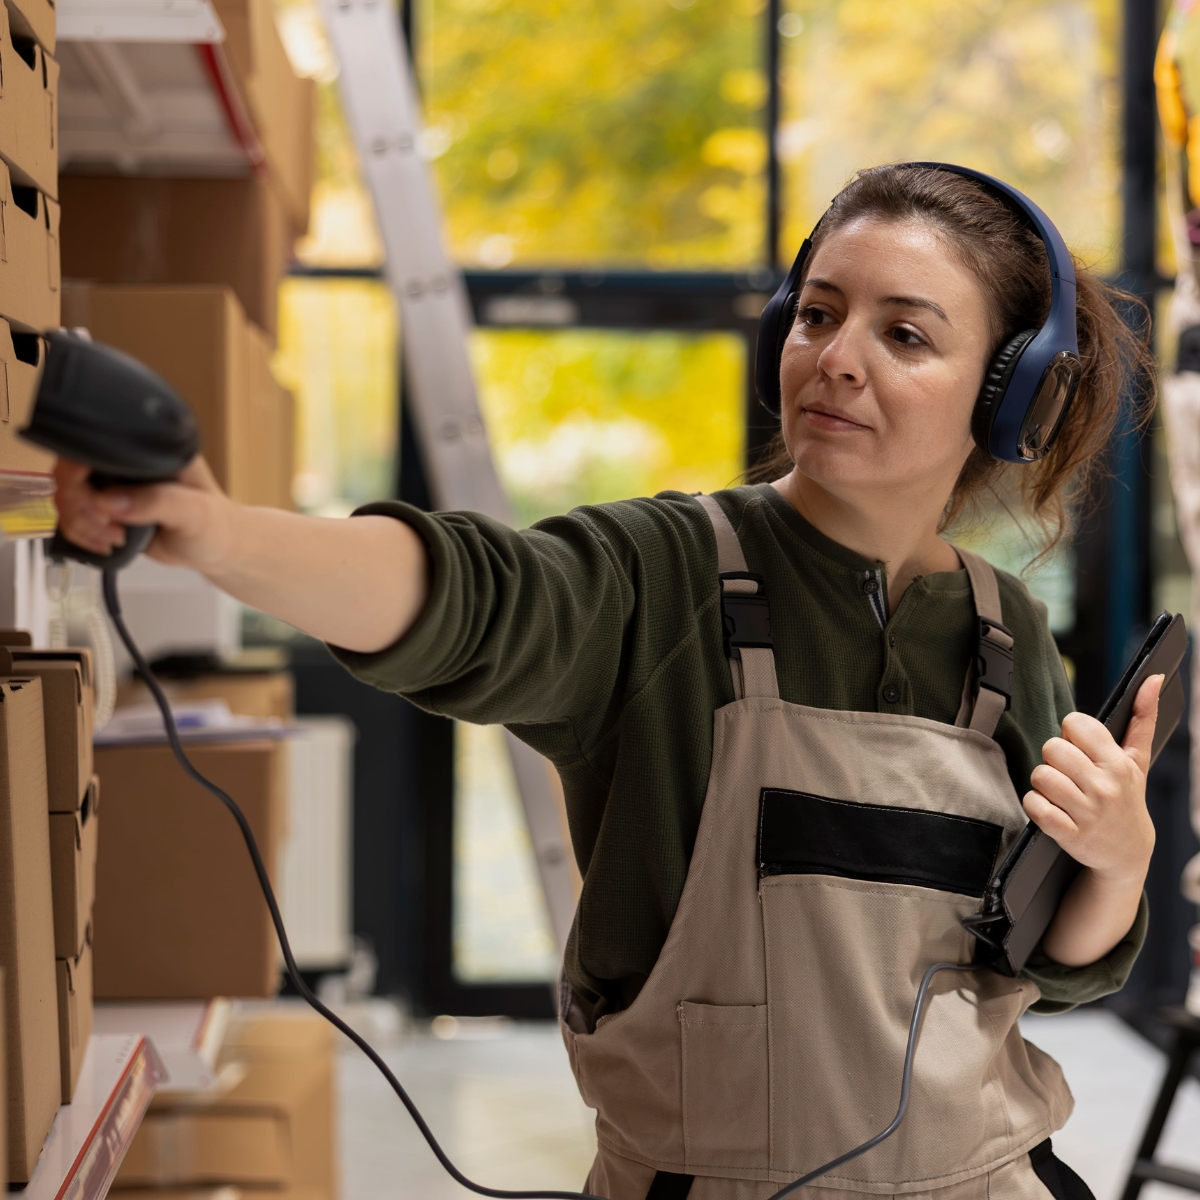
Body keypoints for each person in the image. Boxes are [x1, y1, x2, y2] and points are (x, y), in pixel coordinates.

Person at [56, 164, 1159, 1200]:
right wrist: (219, 534)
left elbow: (1049, 967)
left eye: (905, 333)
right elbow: (471, 594)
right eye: (818, 313)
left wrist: (1116, 860)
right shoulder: (665, 572)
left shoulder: (1002, 630)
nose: (837, 356)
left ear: (1007, 396)